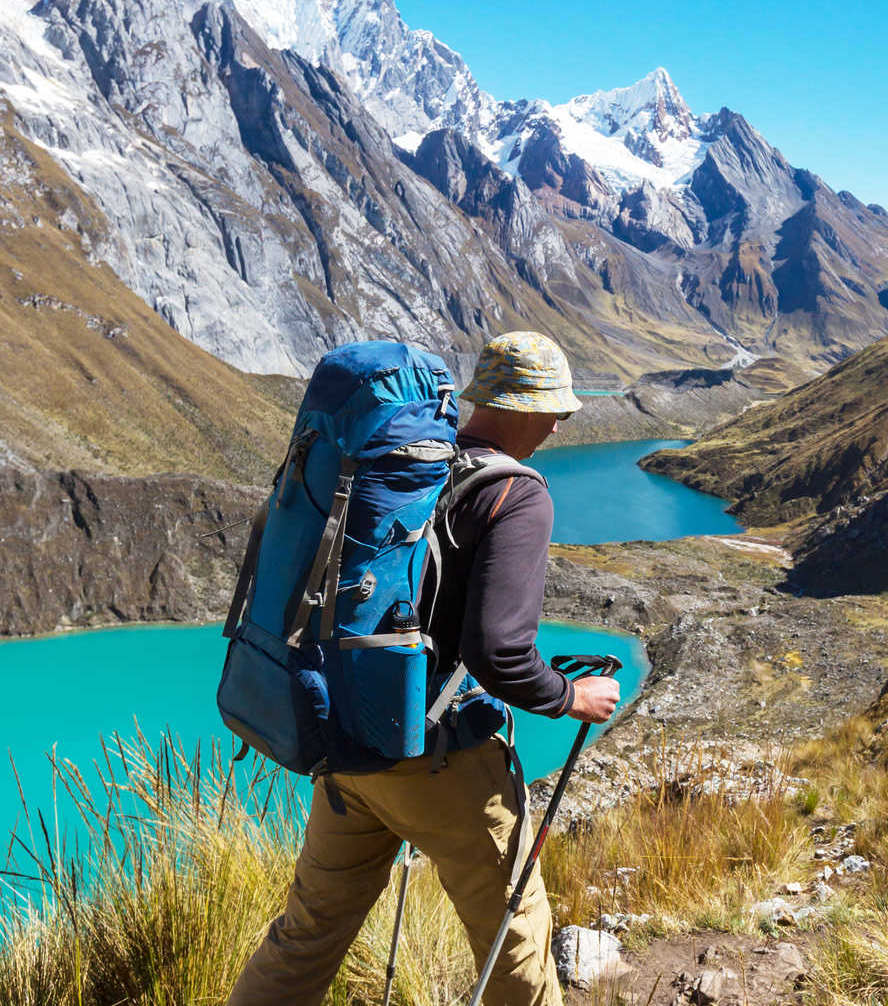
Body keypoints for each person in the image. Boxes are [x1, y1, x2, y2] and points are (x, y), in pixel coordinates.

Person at [227, 331, 622, 1006]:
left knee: (310, 929)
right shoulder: (514, 494)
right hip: (438, 760)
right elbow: (501, 654)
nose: (559, 423)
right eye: (554, 408)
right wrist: (569, 696)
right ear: (523, 406)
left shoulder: (406, 468)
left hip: (346, 740)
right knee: (514, 933)